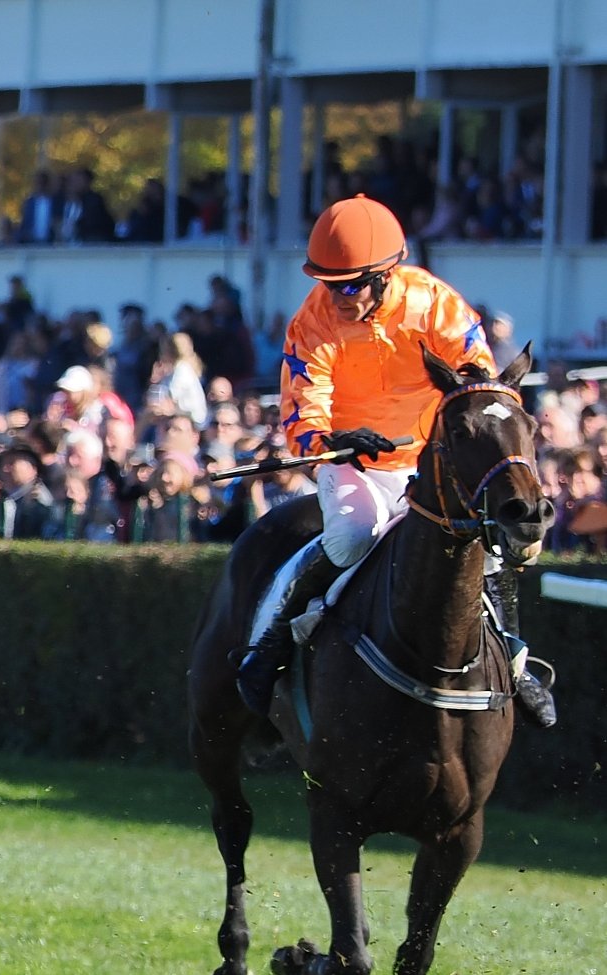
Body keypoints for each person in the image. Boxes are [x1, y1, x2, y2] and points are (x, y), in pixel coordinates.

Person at [237, 194, 556, 727]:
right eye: (329, 284)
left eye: (352, 285)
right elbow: (300, 416)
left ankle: (516, 664)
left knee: (490, 548)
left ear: (387, 274)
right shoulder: (312, 323)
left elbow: (478, 388)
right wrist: (336, 437)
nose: (339, 297)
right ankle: (270, 642)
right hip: (352, 461)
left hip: (431, 462)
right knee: (350, 535)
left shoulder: (436, 304)